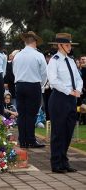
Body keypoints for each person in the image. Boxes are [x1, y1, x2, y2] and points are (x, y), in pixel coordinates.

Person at [47, 33, 82, 173]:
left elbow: (78, 78)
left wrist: (78, 90)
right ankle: (56, 163)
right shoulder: (54, 61)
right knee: (58, 132)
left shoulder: (71, 60)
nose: (69, 47)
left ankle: (64, 161)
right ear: (60, 45)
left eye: (70, 45)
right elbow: (53, 81)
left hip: (71, 99)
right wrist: (69, 91)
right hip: (59, 98)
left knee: (68, 131)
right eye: (67, 45)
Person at [13, 31, 47, 148]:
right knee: (31, 115)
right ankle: (31, 140)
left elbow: (14, 71)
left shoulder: (18, 55)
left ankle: (22, 140)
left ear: (25, 42)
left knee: (22, 114)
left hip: (20, 85)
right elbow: (44, 74)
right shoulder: (39, 55)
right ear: (35, 42)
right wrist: (40, 85)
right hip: (33, 85)